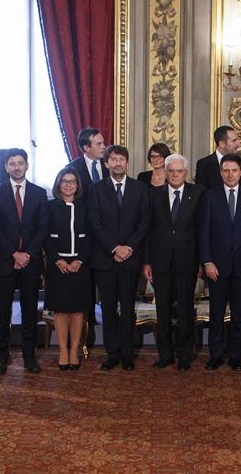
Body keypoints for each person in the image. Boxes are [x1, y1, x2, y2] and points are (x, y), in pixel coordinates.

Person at [88, 145, 151, 371]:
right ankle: (112, 354)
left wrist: (128, 248)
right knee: (107, 309)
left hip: (130, 259)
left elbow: (144, 223)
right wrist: (115, 248)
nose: (117, 163)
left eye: (121, 159)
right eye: (113, 159)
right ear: (106, 163)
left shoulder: (140, 188)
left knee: (127, 307)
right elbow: (95, 223)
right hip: (105, 260)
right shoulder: (96, 189)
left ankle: (127, 354)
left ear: (127, 162)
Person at [0, 148, 49, 374]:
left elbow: (42, 229)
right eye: (12, 163)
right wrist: (14, 254)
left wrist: (26, 255)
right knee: (2, 312)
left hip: (30, 262)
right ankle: (1, 357)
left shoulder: (39, 193)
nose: (16, 167)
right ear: (6, 167)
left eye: (20, 163)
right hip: (5, 261)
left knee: (29, 311)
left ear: (27, 165)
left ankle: (29, 356)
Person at [199, 153, 241, 371]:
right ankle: (215, 356)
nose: (230, 174)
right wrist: (207, 262)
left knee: (239, 315)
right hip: (217, 267)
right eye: (226, 170)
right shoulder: (210, 196)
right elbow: (203, 233)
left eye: (234, 170)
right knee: (216, 315)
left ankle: (235, 355)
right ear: (221, 172)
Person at [143, 154, 204, 371]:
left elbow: (202, 230)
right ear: (166, 173)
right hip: (160, 262)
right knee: (163, 310)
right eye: (171, 171)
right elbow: (148, 230)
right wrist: (147, 261)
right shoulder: (154, 194)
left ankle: (185, 354)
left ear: (185, 173)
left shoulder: (198, 193)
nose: (175, 175)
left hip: (188, 261)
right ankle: (165, 354)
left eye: (179, 171)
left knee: (186, 309)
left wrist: (202, 261)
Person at [45, 168, 92, 371]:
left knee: (78, 310)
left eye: (72, 181)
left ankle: (74, 350)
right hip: (58, 266)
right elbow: (44, 236)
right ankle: (63, 351)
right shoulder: (49, 206)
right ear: (58, 184)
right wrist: (57, 260)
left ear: (78, 185)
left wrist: (79, 260)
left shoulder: (86, 206)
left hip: (80, 265)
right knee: (61, 310)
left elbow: (91, 235)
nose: (68, 185)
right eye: (64, 181)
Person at [67, 127, 109, 350]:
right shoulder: (72, 169)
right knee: (85, 290)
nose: (104, 147)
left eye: (103, 143)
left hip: (106, 238)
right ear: (86, 147)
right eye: (99, 144)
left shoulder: (109, 166)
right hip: (83, 238)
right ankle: (86, 338)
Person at [194, 125, 241, 189]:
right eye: (234, 141)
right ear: (222, 144)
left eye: (238, 140)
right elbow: (201, 192)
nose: (238, 144)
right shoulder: (204, 164)